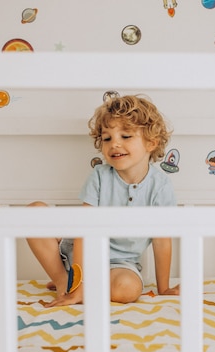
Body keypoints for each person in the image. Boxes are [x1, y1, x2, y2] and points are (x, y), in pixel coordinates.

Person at [26, 93, 179, 307]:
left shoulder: (160, 186)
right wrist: (77, 287)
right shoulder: (100, 176)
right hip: (82, 251)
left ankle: (84, 284)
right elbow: (84, 232)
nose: (114, 144)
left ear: (151, 143)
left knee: (128, 289)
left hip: (121, 264)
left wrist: (164, 288)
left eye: (125, 136)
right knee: (33, 213)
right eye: (107, 138)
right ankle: (65, 282)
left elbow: (162, 241)